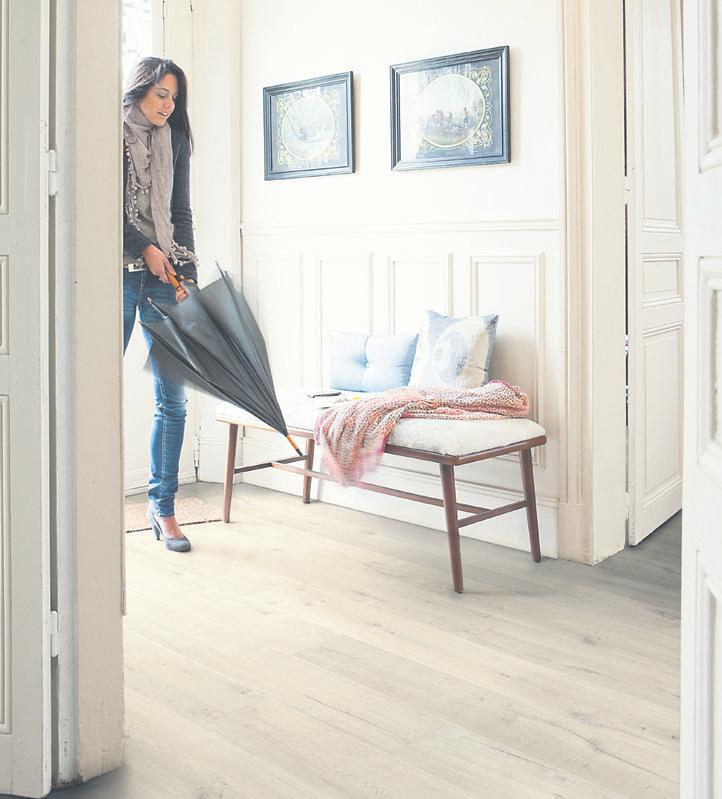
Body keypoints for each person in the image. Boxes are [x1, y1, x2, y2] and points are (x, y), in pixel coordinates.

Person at [122, 57, 197, 553]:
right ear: (139, 91)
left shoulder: (177, 140)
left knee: (173, 400)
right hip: (117, 274)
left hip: (166, 275)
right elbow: (102, 208)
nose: (168, 105)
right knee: (95, 393)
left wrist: (187, 272)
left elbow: (180, 211)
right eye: (161, 94)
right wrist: (143, 247)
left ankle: (163, 507)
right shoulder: (110, 134)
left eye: (174, 97)